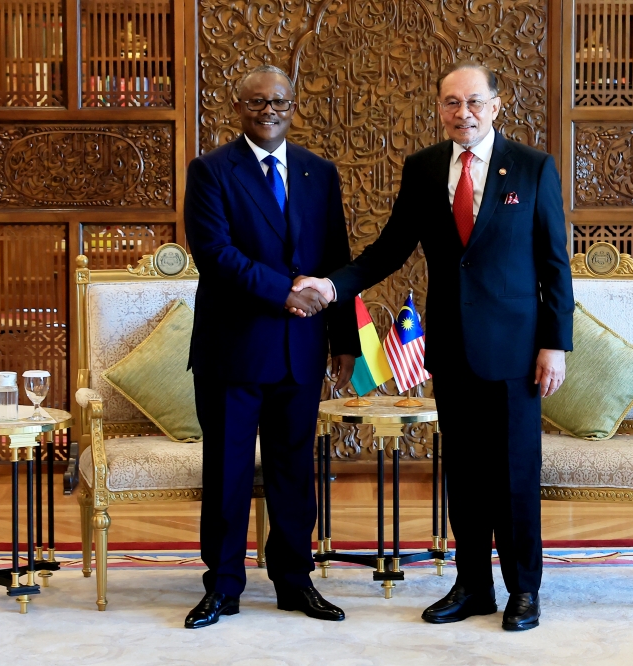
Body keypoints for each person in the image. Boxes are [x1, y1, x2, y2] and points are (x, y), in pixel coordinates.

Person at [292, 62, 574, 632]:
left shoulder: (533, 168)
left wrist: (555, 344)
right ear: (439, 107)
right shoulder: (422, 168)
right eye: (450, 103)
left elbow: (554, 266)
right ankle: (472, 586)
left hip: (518, 353)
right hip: (451, 348)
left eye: (473, 102)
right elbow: (388, 250)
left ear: (497, 105)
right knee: (465, 474)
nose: (461, 113)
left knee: (515, 475)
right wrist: (330, 285)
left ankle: (525, 590)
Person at [183, 64, 358, 628]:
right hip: (232, 353)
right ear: (239, 108)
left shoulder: (318, 172)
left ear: (292, 105)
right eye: (257, 102)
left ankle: (294, 581)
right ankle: (224, 586)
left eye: (278, 101)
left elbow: (337, 258)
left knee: (292, 472)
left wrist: (344, 340)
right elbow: (216, 255)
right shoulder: (210, 171)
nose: (269, 110)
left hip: (300, 351)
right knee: (229, 472)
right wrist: (286, 294)